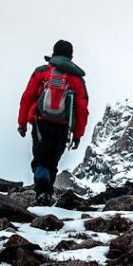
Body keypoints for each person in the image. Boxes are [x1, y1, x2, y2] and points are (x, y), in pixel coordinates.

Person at [17, 40, 89, 205]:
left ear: (54, 53)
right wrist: (77, 134)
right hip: (62, 126)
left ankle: (42, 193)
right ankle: (46, 194)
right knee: (52, 161)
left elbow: (27, 97)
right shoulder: (76, 79)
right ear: (71, 56)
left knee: (40, 158)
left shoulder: (42, 72)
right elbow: (82, 107)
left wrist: (22, 122)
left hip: (40, 121)